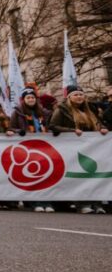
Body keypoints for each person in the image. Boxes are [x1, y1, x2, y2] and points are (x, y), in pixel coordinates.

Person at [49, 86, 108, 214]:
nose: (79, 97)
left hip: (92, 148)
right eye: (75, 94)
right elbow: (53, 126)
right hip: (72, 149)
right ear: (69, 97)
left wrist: (102, 128)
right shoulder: (62, 109)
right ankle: (82, 203)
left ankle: (97, 203)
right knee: (79, 176)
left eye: (81, 94)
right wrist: (72, 131)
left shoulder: (90, 109)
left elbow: (98, 123)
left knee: (94, 175)